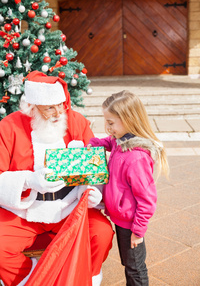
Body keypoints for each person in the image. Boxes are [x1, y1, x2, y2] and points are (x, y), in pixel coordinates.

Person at [0, 71, 114, 286]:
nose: (58, 112)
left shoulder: (76, 122)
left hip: (69, 206)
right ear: (31, 107)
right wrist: (28, 181)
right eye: (49, 107)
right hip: (25, 209)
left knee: (101, 233)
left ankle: (82, 279)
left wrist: (90, 191)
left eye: (61, 104)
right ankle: (32, 278)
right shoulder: (9, 126)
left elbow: (94, 167)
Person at [88, 90, 169, 286]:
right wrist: (94, 143)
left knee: (134, 266)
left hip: (131, 223)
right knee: (129, 262)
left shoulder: (136, 158)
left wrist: (138, 231)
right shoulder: (120, 140)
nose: (107, 128)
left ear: (128, 120)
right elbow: (110, 142)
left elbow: (147, 200)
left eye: (110, 123)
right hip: (121, 217)